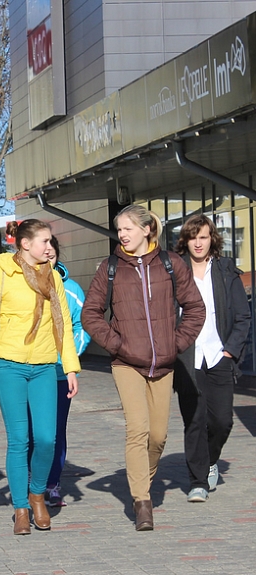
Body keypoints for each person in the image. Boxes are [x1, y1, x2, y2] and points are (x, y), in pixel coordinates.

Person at [82, 205, 205, 531]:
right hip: (126, 363)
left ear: (147, 229)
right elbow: (90, 314)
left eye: (127, 228)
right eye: (119, 229)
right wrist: (117, 345)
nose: (121, 234)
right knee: (137, 429)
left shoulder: (171, 264)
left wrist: (176, 343)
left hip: (164, 363)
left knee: (159, 436)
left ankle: (140, 479)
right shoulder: (110, 268)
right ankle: (142, 501)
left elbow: (195, 307)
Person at [0, 220, 81, 535]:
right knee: (19, 440)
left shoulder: (53, 276)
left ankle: (37, 494)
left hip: (44, 368)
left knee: (47, 439)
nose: (49, 247)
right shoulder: (1, 274)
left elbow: (64, 325)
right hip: (9, 366)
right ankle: (21, 508)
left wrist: (70, 368)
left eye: (50, 241)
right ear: (25, 244)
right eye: (44, 241)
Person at [173, 215, 250, 503]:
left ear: (211, 238)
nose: (198, 242)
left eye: (203, 237)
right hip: (188, 358)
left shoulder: (226, 271)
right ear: (186, 240)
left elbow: (242, 316)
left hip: (219, 356)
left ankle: (210, 460)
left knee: (222, 421)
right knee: (195, 420)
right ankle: (198, 481)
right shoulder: (176, 272)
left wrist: (230, 351)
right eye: (193, 237)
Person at [39, 236, 91, 507]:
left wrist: (71, 357)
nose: (48, 252)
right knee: (33, 432)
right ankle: (33, 481)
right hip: (30, 372)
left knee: (57, 430)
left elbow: (82, 327)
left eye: (53, 248)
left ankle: (53, 483)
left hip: (60, 373)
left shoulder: (72, 290)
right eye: (43, 246)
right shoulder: (21, 285)